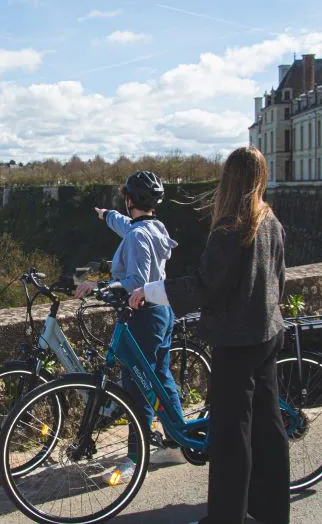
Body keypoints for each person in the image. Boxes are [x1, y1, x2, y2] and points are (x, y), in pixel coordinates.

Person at [128, 147, 290, 524]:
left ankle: (225, 517)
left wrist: (150, 291)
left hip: (237, 341)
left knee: (231, 436)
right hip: (268, 333)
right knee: (268, 429)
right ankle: (270, 512)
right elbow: (279, 280)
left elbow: (204, 286)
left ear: (228, 181)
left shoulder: (232, 226)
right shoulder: (270, 220)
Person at [74, 170, 187, 485]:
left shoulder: (138, 237)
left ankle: (136, 458)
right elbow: (128, 226)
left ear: (128, 200)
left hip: (143, 317)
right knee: (161, 381)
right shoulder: (153, 227)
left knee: (137, 388)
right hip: (162, 311)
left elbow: (137, 281)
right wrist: (107, 216)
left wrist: (100, 286)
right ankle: (178, 443)